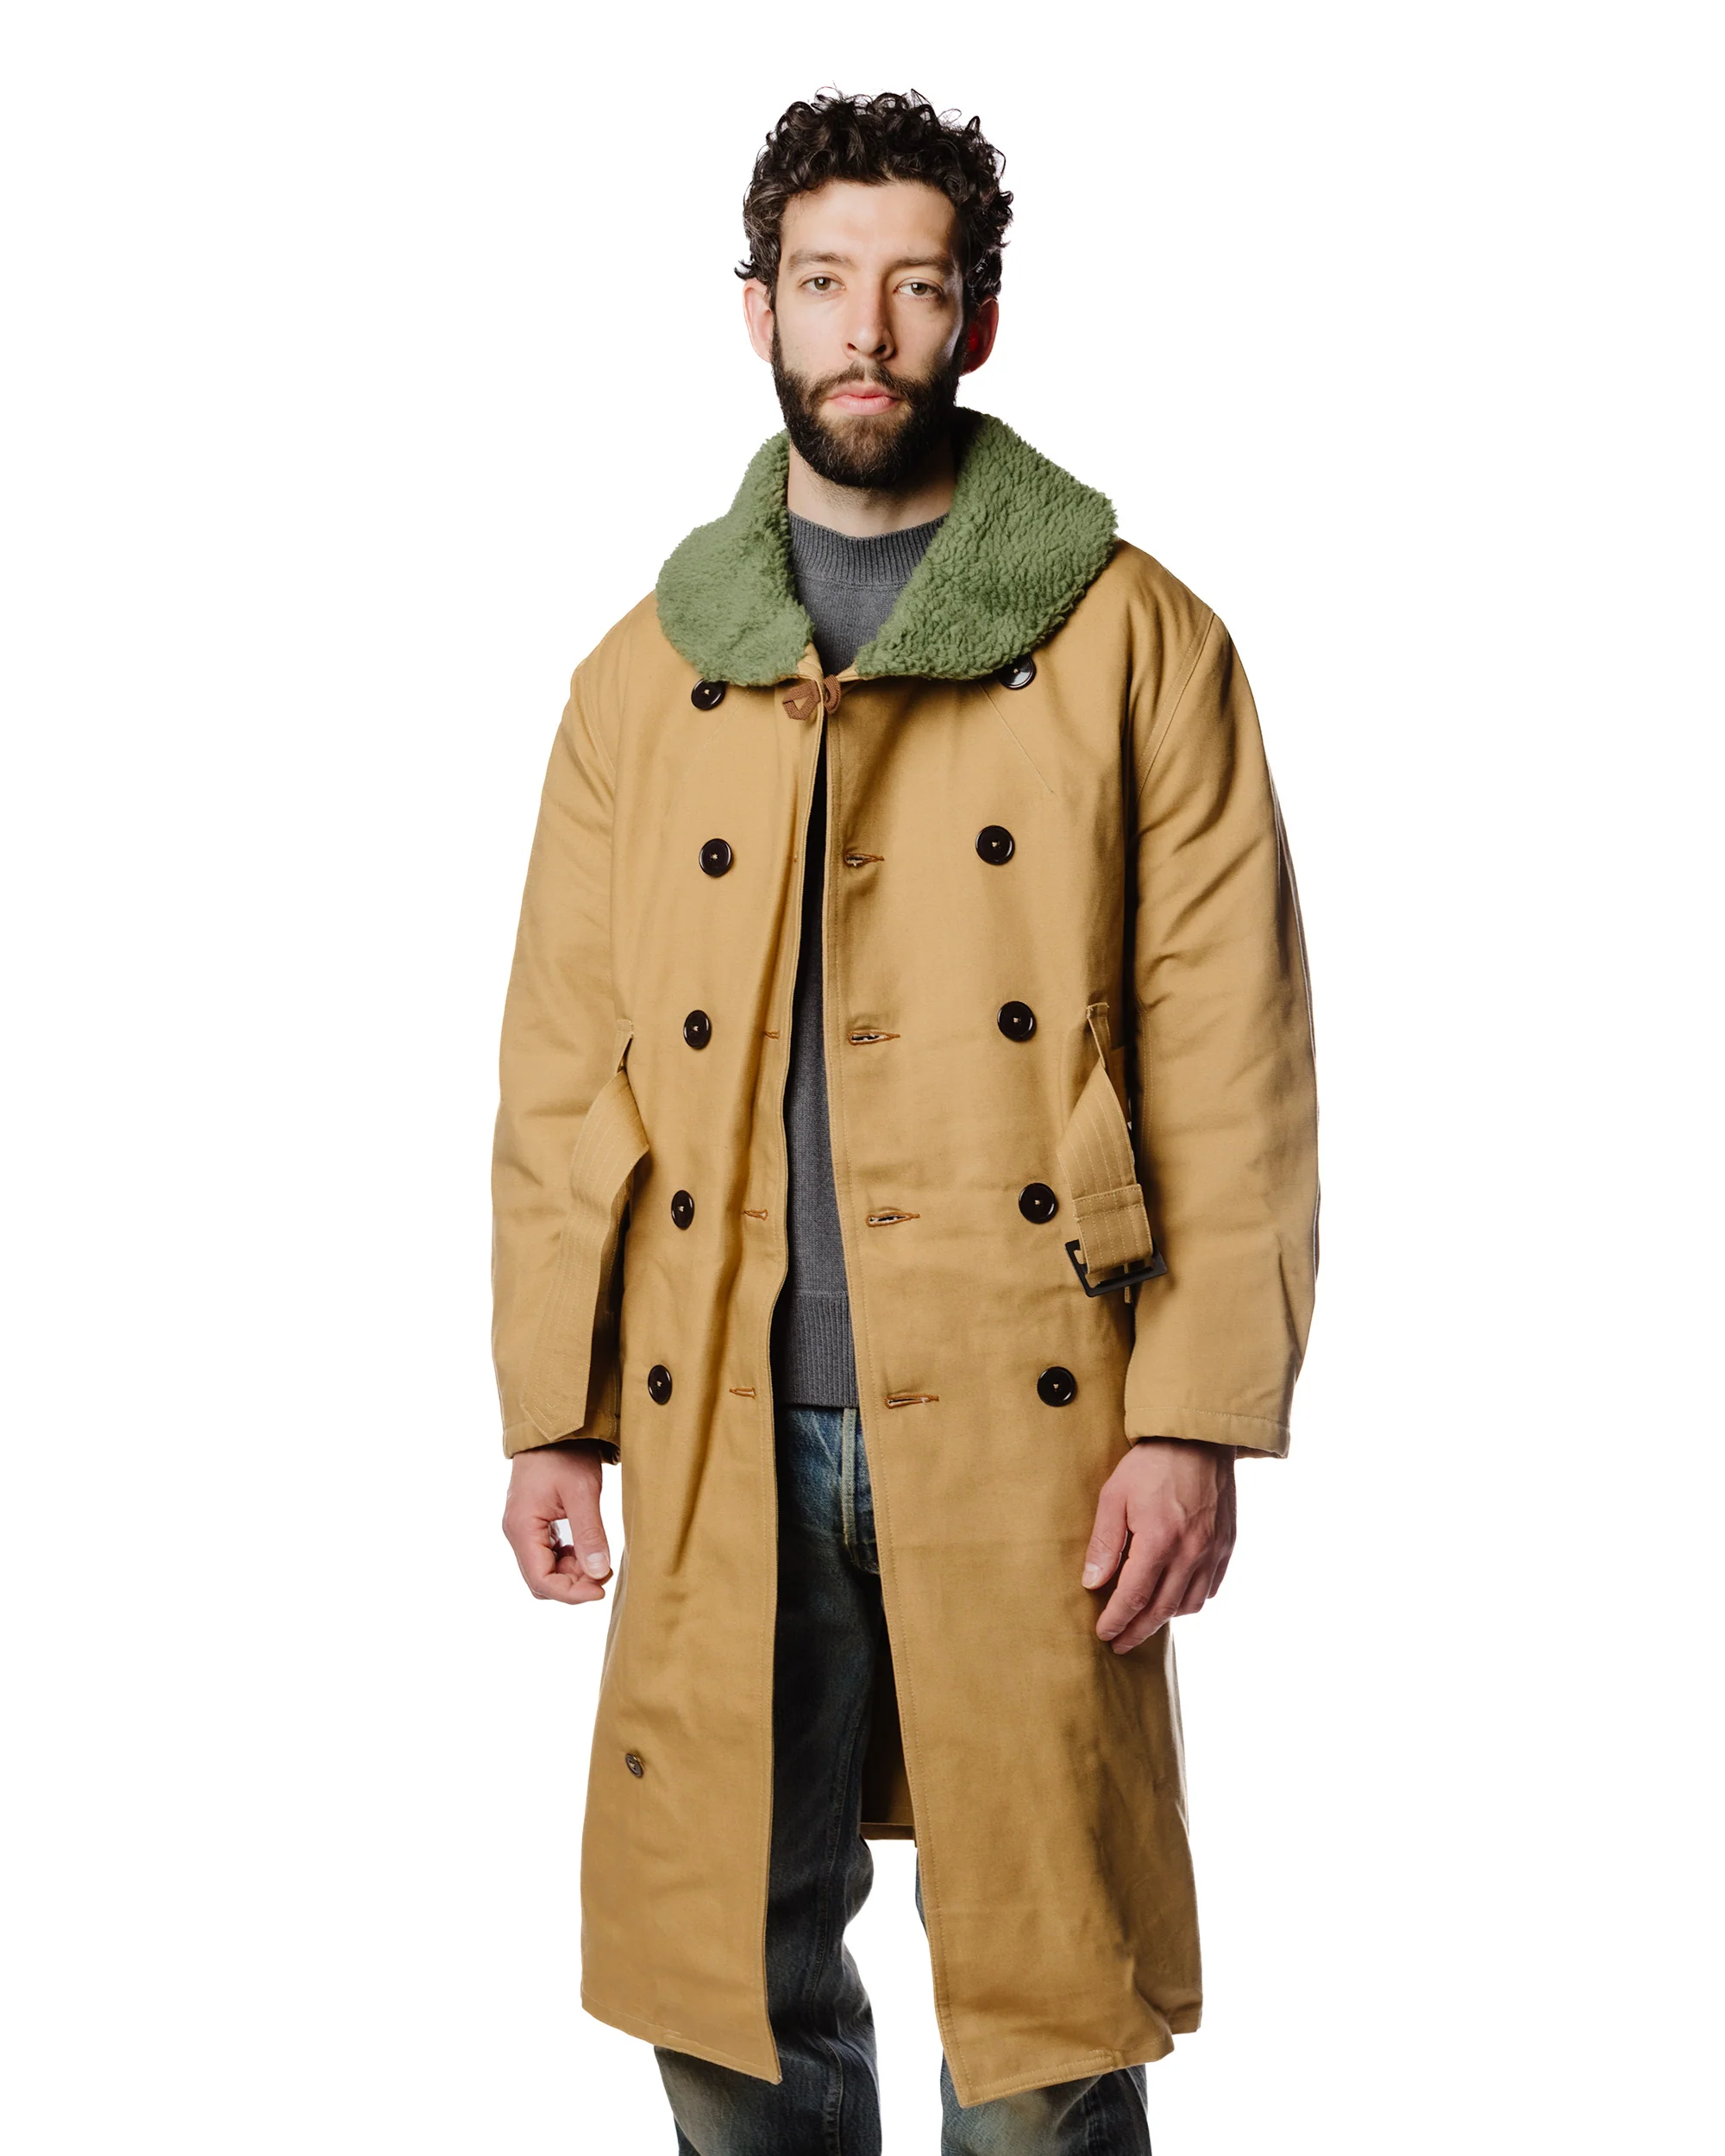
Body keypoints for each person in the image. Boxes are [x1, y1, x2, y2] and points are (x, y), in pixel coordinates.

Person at [492, 88, 1318, 2156]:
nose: (866, 331)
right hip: (715, 1410)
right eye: (824, 282)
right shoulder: (638, 676)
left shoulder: (1132, 639)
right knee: (722, 1981)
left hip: (1040, 1409)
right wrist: (548, 1407)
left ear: (980, 320)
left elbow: (1231, 1055)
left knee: (1044, 2008)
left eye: (917, 287)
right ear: (756, 308)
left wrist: (1195, 1413)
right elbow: (560, 1065)